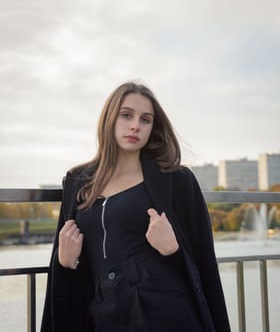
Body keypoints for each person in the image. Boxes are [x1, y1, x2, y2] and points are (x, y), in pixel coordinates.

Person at [41, 82, 230, 332]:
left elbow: (204, 264)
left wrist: (173, 250)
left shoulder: (176, 180)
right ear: (110, 118)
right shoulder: (78, 182)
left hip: (167, 316)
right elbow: (73, 269)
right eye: (126, 115)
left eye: (145, 120)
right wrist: (65, 263)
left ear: (153, 128)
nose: (135, 126)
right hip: (104, 318)